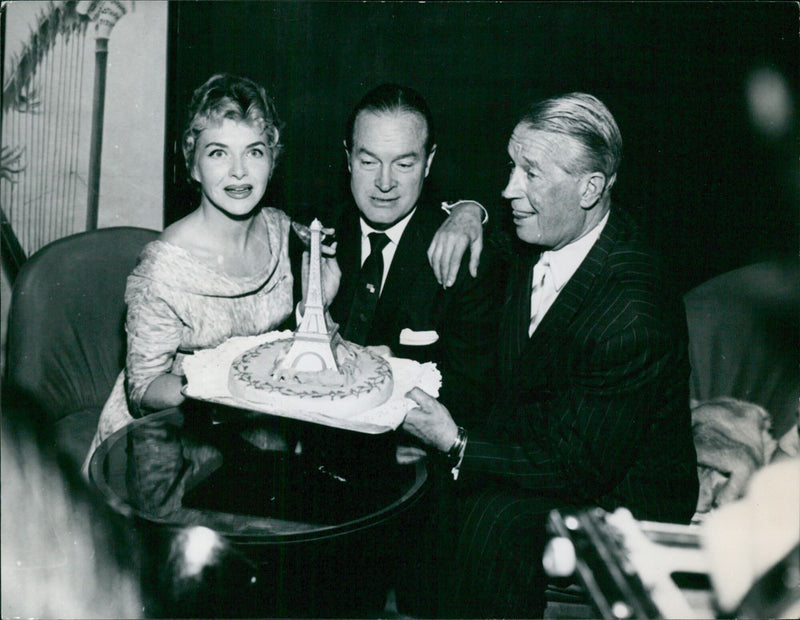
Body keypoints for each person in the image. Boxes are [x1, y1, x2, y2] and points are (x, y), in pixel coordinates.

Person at [398, 92, 699, 617]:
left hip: (621, 496)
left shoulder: (633, 312)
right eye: (512, 164)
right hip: (544, 439)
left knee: (489, 524)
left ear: (590, 188)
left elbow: (577, 465)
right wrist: (469, 212)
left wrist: (457, 442)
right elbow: (488, 220)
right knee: (424, 496)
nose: (509, 187)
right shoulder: (542, 230)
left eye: (530, 173)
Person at [82, 73, 340, 472]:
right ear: (194, 165)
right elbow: (143, 390)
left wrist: (316, 305)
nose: (239, 172)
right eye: (218, 153)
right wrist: (229, 391)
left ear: (272, 161)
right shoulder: (162, 268)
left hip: (255, 436)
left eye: (254, 152)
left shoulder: (282, 230)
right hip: (165, 448)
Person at [294, 83, 502, 431]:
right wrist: (313, 310)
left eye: (404, 163)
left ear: (428, 162)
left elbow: (473, 392)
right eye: (368, 161)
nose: (384, 182)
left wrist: (398, 376)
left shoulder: (462, 255)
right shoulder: (314, 235)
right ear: (348, 158)